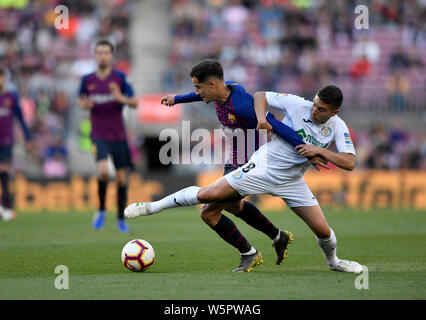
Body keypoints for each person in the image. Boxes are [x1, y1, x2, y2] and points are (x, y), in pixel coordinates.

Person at [126, 84, 363, 274]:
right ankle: (151, 207)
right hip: (263, 167)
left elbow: (349, 163)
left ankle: (333, 262)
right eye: (315, 104)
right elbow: (260, 95)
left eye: (321, 109)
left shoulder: (337, 127)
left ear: (334, 112)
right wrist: (262, 118)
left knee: (323, 230)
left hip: (292, 181)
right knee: (208, 198)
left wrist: (320, 151)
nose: (314, 110)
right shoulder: (297, 104)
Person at [150, 59, 327, 272]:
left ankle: (248, 253)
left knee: (208, 213)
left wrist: (306, 150)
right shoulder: (223, 89)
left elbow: (277, 125)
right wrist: (177, 99)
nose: (197, 92)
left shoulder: (243, 106)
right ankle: (278, 236)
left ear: (213, 84)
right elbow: (198, 95)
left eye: (198, 87)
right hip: (234, 158)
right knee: (233, 206)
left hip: (251, 163)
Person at [78, 40, 137, 232]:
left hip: (119, 135)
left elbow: (135, 102)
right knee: (103, 172)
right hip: (98, 134)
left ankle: (121, 218)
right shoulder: (87, 80)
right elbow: (81, 99)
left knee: (121, 179)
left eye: (106, 53)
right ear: (95, 55)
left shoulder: (120, 78)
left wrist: (122, 99)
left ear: (111, 56)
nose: (102, 56)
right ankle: (101, 209)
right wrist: (84, 105)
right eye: (99, 52)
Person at [0, 69, 31, 221]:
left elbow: (21, 119)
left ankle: (6, 206)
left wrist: (28, 138)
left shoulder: (10, 97)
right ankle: (5, 207)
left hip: (6, 141)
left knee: (4, 171)